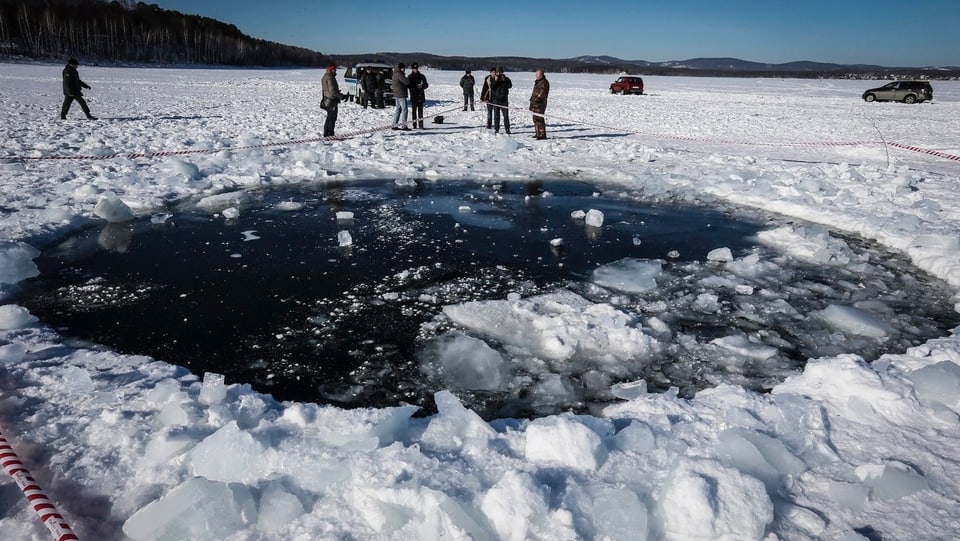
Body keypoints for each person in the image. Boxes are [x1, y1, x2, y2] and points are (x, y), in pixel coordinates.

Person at [489, 66, 512, 135]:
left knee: (506, 115)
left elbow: (510, 86)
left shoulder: (506, 79)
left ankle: (507, 129)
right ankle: (496, 129)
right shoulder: (493, 79)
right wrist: (496, 81)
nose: (499, 73)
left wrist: (504, 80)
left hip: (504, 100)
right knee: (496, 116)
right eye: (498, 72)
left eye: (500, 72)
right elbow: (492, 87)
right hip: (496, 100)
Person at [321, 63, 341, 138]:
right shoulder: (330, 77)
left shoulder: (326, 76)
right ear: (331, 69)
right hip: (331, 100)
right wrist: (340, 96)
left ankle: (327, 133)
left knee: (330, 117)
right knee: (332, 117)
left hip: (327, 98)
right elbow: (332, 90)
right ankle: (329, 134)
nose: (335, 70)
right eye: (334, 69)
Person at [529, 69, 550, 140]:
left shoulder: (544, 82)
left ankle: (541, 135)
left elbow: (542, 93)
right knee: (535, 119)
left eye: (537, 74)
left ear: (540, 75)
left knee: (539, 119)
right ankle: (538, 133)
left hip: (540, 104)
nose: (535, 75)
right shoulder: (538, 82)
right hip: (535, 103)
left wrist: (536, 99)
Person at [407, 63, 429, 129]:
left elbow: (426, 85)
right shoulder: (410, 77)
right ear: (412, 69)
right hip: (414, 96)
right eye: (414, 69)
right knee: (414, 112)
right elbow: (408, 86)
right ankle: (414, 125)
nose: (415, 70)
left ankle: (421, 125)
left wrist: (422, 87)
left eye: (416, 68)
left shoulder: (422, 76)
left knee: (420, 112)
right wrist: (415, 87)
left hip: (420, 96)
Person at [391, 62, 410, 130]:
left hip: (396, 94)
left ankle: (394, 125)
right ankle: (404, 125)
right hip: (401, 94)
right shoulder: (399, 74)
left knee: (398, 110)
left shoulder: (394, 74)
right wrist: (408, 79)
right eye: (403, 68)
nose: (404, 70)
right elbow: (406, 82)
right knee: (405, 110)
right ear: (401, 68)